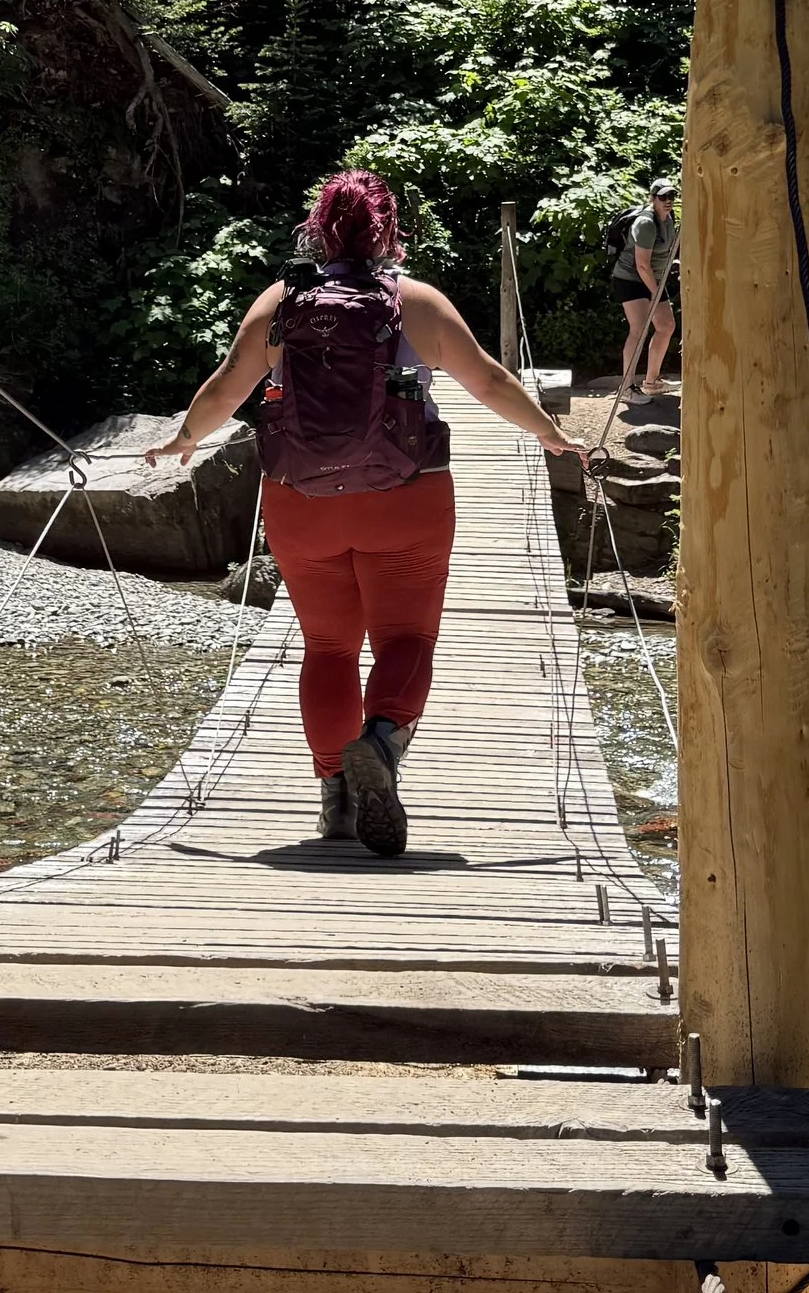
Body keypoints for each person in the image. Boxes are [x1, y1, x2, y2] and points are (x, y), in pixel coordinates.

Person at [148, 168, 576, 858]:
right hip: (404, 500)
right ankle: (379, 741)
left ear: (318, 229)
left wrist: (185, 438)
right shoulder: (417, 302)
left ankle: (337, 798)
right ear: (388, 231)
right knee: (406, 639)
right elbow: (491, 380)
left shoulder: (281, 302)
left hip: (300, 504)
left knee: (327, 648)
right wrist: (549, 434)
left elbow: (229, 384)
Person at [613, 179, 680, 393]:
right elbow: (642, 264)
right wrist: (656, 292)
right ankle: (627, 387)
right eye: (663, 197)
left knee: (666, 325)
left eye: (671, 196)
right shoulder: (645, 223)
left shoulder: (668, 218)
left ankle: (652, 383)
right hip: (631, 279)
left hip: (653, 279)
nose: (668, 201)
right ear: (652, 198)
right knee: (639, 329)